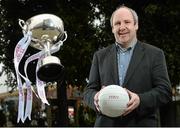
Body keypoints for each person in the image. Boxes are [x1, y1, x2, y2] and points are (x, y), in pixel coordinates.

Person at [83, 5, 172, 127]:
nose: (122, 27)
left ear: (136, 25)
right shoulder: (100, 56)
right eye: (117, 23)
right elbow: (88, 91)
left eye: (127, 22)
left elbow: (165, 91)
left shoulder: (155, 54)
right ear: (112, 28)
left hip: (141, 123)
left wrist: (140, 100)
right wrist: (95, 98)